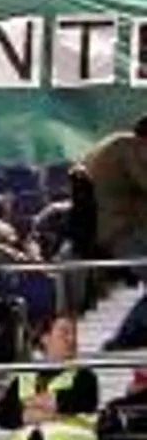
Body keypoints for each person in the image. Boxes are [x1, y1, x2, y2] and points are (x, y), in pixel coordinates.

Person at [0, 312, 100, 440]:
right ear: (45, 338)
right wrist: (49, 407)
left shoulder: (84, 376)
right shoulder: (24, 376)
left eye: (74, 334)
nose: (72, 339)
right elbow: (2, 416)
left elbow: (75, 400)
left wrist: (27, 406)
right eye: (64, 333)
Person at [82, 115, 147, 349]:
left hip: (116, 228)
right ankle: (124, 340)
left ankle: (128, 338)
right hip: (120, 231)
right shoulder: (129, 146)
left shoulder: (116, 143)